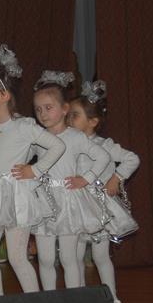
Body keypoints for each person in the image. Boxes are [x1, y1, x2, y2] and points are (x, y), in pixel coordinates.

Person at [0, 45, 66, 296]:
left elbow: (57, 146)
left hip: (17, 195)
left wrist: (35, 170)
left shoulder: (23, 126)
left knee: (17, 257)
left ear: (5, 95)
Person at [30, 71, 111, 291]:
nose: (43, 114)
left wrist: (86, 179)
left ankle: (74, 301)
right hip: (43, 201)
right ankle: (49, 300)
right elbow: (25, 158)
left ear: (65, 108)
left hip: (68, 201)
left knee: (69, 258)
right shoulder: (37, 137)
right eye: (38, 109)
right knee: (45, 258)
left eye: (48, 107)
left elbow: (102, 157)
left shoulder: (75, 137)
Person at [69, 80, 140, 303]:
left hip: (98, 208)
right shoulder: (67, 143)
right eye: (69, 114)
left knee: (100, 256)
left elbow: (132, 159)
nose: (69, 119)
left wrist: (116, 178)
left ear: (93, 122)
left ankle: (112, 299)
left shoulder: (105, 145)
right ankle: (78, 298)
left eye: (75, 115)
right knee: (74, 256)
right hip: (75, 208)